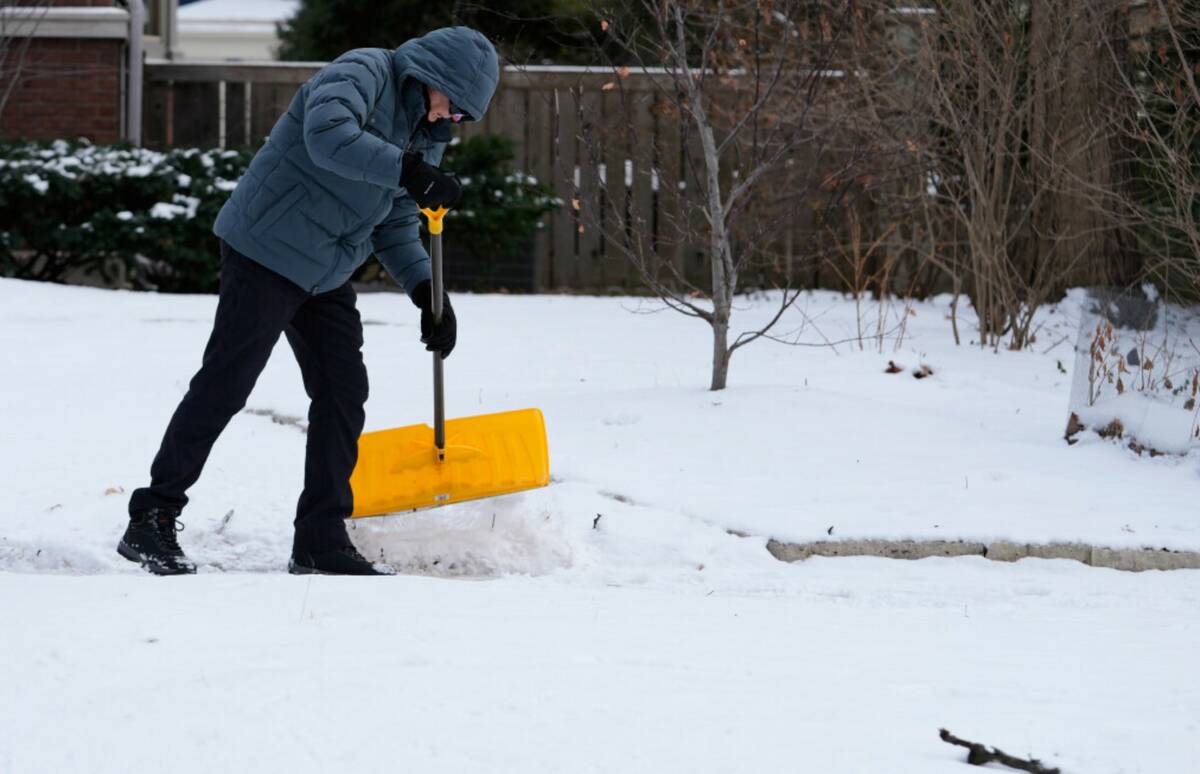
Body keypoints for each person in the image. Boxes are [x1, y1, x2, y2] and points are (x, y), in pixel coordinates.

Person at [117, 27, 500, 576]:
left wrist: (426, 291)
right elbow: (329, 135)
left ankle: (320, 538)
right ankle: (151, 516)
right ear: (437, 79)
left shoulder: (425, 130)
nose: (452, 121)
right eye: (456, 108)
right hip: (266, 248)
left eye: (463, 117)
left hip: (325, 270)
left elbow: (394, 217)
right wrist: (409, 170)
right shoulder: (364, 69)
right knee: (227, 381)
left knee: (343, 389)